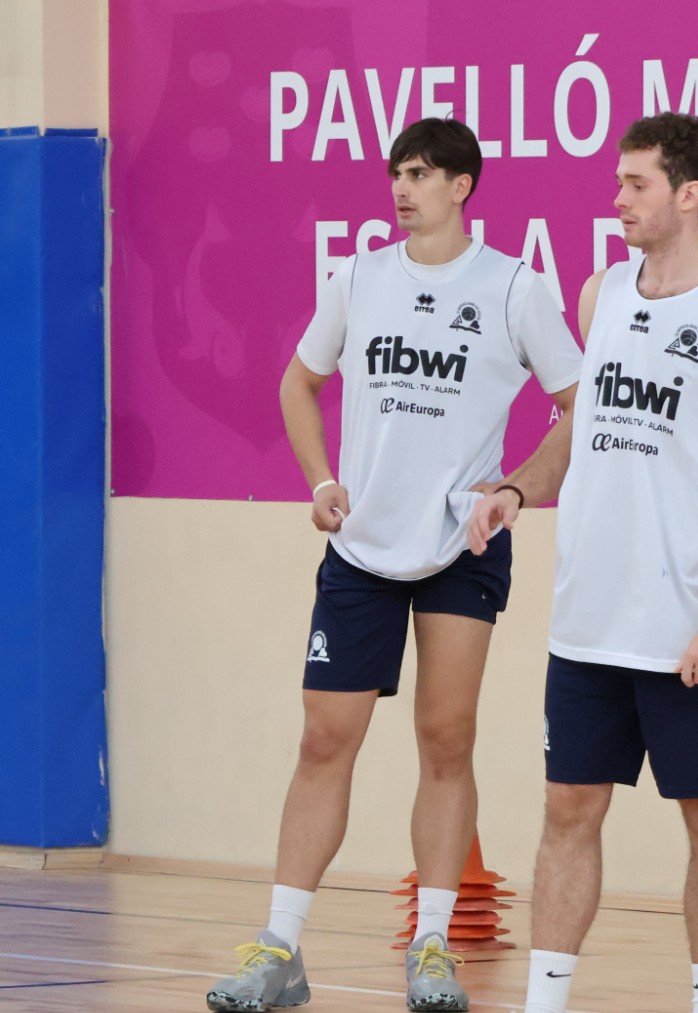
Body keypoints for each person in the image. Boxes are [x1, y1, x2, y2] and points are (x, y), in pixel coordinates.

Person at [207, 117, 584, 1013]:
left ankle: (432, 948)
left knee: (445, 739)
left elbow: (581, 405)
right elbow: (298, 381)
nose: (402, 188)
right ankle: (280, 945)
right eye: (396, 174)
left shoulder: (514, 288)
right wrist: (321, 478)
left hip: (462, 550)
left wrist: (518, 489)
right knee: (323, 740)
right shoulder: (361, 277)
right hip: (361, 551)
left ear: (462, 186)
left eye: (420, 174)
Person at [462, 112, 698, 1013]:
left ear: (689, 195)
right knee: (568, 810)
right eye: (618, 182)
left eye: (637, 184)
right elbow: (576, 426)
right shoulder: (600, 292)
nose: (617, 199)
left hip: (691, 625)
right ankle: (545, 1001)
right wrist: (518, 490)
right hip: (588, 620)